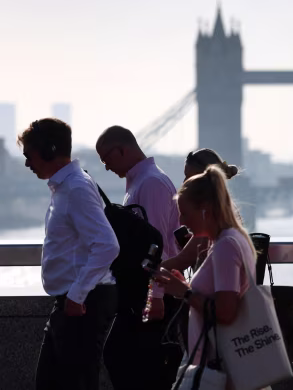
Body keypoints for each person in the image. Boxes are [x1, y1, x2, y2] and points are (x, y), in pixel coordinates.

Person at [18, 118, 119, 390]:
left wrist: (77, 294)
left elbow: (108, 245)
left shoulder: (75, 187)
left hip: (84, 303)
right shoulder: (66, 186)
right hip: (72, 302)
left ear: (49, 150)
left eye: (30, 155)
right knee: (51, 382)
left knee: (76, 383)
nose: (28, 164)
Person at [153, 166, 258, 390]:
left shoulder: (225, 246)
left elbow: (226, 312)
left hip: (219, 365)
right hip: (224, 360)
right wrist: (184, 286)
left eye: (185, 213)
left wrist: (185, 292)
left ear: (205, 209)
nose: (181, 221)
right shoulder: (232, 239)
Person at [95, 126, 182, 390]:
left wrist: (153, 297)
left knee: (134, 363)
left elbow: (157, 247)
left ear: (122, 150)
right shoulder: (140, 182)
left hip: (153, 293)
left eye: (106, 158)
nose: (106, 167)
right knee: (132, 362)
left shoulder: (152, 183)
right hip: (141, 290)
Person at [161, 148, 239, 273]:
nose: (184, 181)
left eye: (188, 176)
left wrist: (148, 271)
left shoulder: (211, 216)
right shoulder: (225, 210)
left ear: (203, 178)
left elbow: (182, 260)